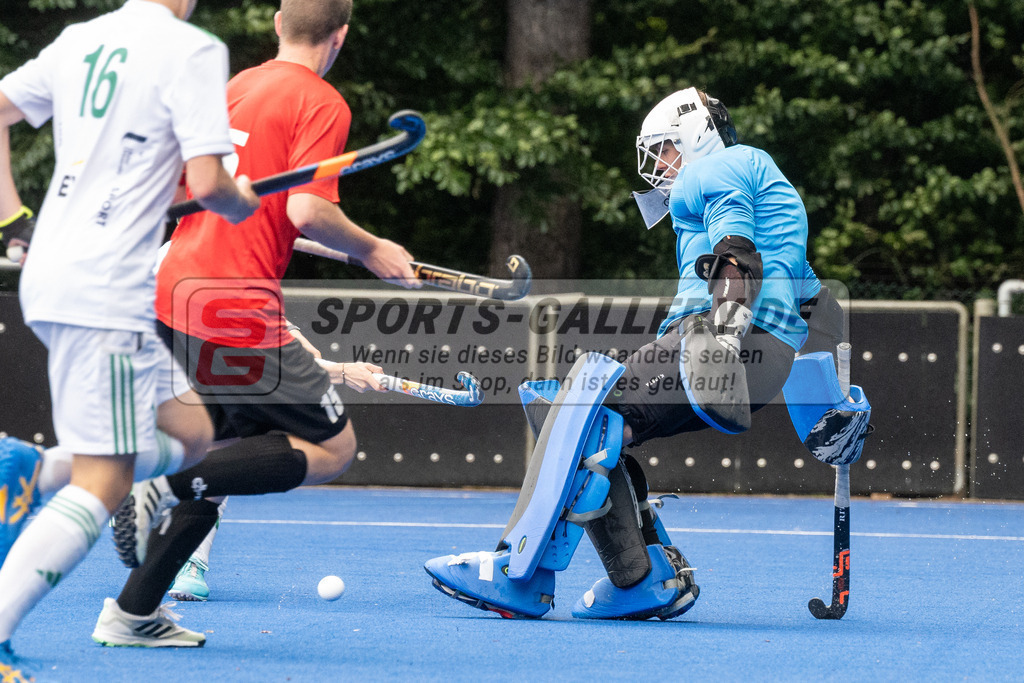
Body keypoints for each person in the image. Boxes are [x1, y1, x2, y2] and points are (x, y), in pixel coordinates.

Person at [424, 87, 835, 620]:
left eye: (665, 148)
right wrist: (836, 402)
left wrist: (722, 340)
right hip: (764, 363)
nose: (659, 166)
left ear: (696, 135)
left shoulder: (721, 167)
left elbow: (735, 253)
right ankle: (642, 579)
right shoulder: (776, 195)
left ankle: (518, 573)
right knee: (592, 423)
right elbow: (817, 307)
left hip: (713, 342)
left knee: (576, 408)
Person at [92, 0, 420, 647]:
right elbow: (306, 208)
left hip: (174, 291)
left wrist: (340, 242)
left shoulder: (236, 87)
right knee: (333, 449)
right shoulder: (321, 101)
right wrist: (372, 247)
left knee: (227, 455)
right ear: (341, 36)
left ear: (277, 22)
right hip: (233, 305)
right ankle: (159, 486)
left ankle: (131, 613)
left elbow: (239, 202)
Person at [0, 0, 259, 670]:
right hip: (104, 287)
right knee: (106, 478)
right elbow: (208, 184)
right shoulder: (192, 49)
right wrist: (244, 199)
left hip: (66, 274)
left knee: (196, 432)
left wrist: (11, 220)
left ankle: (36, 470)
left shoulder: (80, 39)